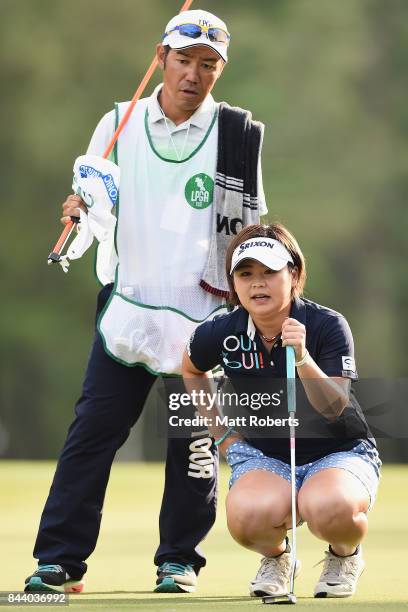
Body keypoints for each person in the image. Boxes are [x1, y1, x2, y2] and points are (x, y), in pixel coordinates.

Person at [24, 9, 268, 594]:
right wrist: (77, 215)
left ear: (220, 70)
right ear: (162, 58)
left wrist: (256, 311)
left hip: (204, 316)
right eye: (183, 60)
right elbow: (94, 208)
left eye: (208, 65)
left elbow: (250, 232)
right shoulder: (117, 121)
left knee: (193, 444)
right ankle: (58, 560)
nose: (194, 74)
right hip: (130, 305)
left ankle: (178, 560)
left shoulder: (238, 134)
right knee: (93, 434)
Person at [182, 223, 381, 598]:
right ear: (234, 284)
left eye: (269, 272)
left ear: (293, 274)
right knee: (245, 518)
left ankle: (345, 554)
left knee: (328, 506)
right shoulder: (221, 329)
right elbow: (192, 368)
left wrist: (303, 358)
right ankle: (278, 557)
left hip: (338, 452)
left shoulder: (326, 325)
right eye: (246, 274)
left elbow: (334, 406)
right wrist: (222, 434)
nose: (257, 283)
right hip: (264, 455)